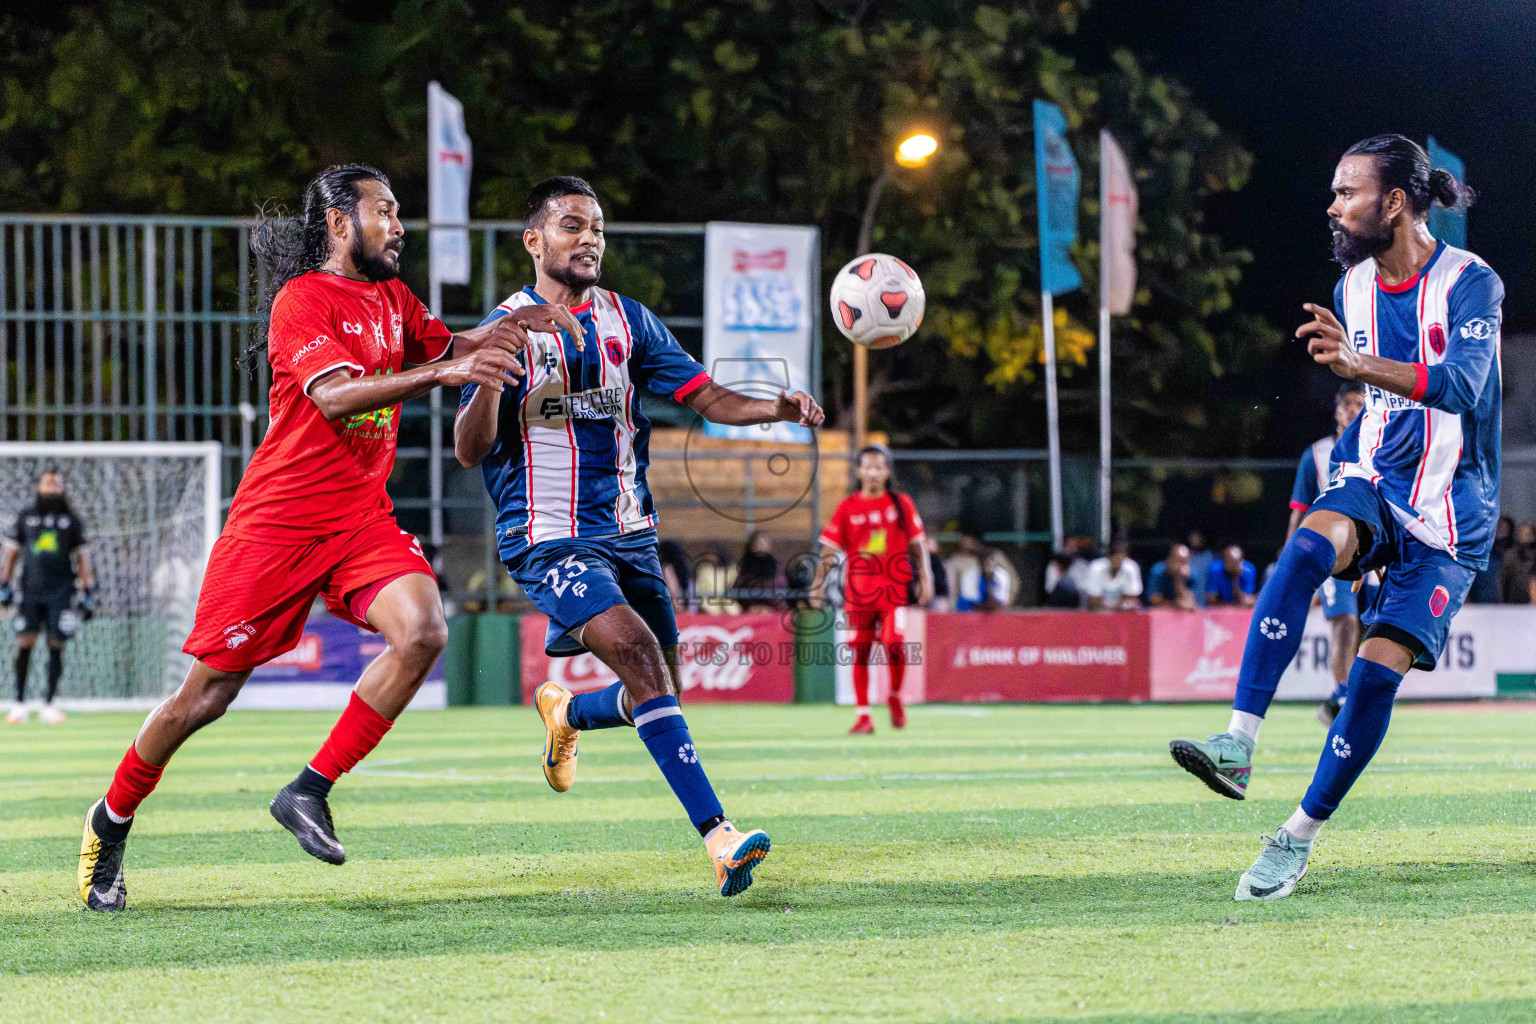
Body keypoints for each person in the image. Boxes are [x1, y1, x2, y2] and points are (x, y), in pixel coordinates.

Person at [76, 164, 582, 913]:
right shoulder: (302, 301)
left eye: (401, 211)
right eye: (386, 211)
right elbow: (336, 395)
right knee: (205, 698)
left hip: (358, 520)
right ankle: (109, 822)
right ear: (341, 223)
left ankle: (308, 790)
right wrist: (445, 374)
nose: (400, 225)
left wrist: (509, 327)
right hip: (276, 527)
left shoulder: (393, 297)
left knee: (422, 631)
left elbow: (448, 346)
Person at [455, 176, 824, 897]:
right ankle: (720, 839)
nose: (588, 238)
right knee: (639, 654)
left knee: (660, 689)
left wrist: (771, 407)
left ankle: (570, 713)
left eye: (595, 227)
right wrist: (491, 375)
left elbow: (705, 396)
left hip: (630, 533)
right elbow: (470, 451)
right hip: (546, 536)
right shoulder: (506, 327)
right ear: (534, 242)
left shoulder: (630, 322)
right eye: (570, 226)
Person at [1170, 135, 1497, 901]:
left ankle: (1296, 837)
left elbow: (1464, 387)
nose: (1333, 205)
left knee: (1374, 680)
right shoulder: (1352, 287)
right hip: (1377, 480)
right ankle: (1238, 745)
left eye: (1346, 191)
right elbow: (1380, 406)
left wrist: (1357, 367)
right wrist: (1348, 456)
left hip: (1451, 516)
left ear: (1393, 202)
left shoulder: (1470, 282)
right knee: (1305, 548)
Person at [807, 445, 931, 734]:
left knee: (894, 645)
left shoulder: (901, 503)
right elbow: (828, 550)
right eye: (868, 466)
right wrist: (817, 585)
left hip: (893, 592)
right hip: (859, 595)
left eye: (879, 467)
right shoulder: (848, 507)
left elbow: (918, 544)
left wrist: (926, 577)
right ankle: (864, 715)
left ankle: (894, 696)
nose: (874, 472)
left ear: (887, 472)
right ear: (859, 471)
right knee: (860, 652)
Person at [1289, 381, 1374, 725]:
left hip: (1374, 553)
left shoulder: (1378, 448)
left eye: (1361, 403)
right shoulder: (1319, 454)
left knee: (1369, 626)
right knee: (1344, 622)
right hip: (1333, 555)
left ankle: (1343, 697)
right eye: (1349, 403)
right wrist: (1291, 558)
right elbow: (1299, 509)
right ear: (1337, 410)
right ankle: (1343, 692)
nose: (1355, 409)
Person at [2, 470, 95, 724]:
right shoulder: (26, 516)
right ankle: (18, 703)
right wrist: (4, 584)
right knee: (25, 642)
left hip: (62, 591)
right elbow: (11, 554)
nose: (52, 488)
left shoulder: (71, 520)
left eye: (57, 484)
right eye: (47, 483)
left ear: (62, 488)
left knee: (57, 643)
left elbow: (83, 558)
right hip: (29, 590)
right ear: (39, 487)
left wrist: (87, 590)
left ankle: (49, 703)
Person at [955, 530, 1012, 611]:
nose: (989, 566)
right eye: (986, 563)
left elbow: (1000, 603)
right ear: (980, 564)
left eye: (992, 563)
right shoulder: (970, 575)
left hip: (992, 612)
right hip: (970, 612)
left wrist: (989, 582)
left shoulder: (1002, 576)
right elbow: (972, 604)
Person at [1084, 537, 1142, 611]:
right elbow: (1093, 601)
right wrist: (1117, 605)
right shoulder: (1096, 568)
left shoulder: (1131, 567)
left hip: (1122, 613)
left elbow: (1132, 599)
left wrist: (1113, 605)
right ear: (1109, 557)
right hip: (1099, 613)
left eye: (1121, 558)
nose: (1118, 561)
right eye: (1115, 558)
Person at [731, 531, 780, 611]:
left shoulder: (777, 566)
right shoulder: (745, 566)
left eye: (764, 542)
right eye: (758, 543)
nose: (761, 546)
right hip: (749, 610)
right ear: (752, 545)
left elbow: (782, 588)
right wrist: (751, 607)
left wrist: (770, 607)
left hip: (773, 611)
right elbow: (738, 589)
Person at [1466, 516, 1511, 604]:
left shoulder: (1510, 555)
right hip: (1480, 603)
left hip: (1506, 604)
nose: (1502, 532)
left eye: (1505, 530)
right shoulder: (1480, 553)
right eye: (1499, 528)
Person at [1145, 543, 1197, 610]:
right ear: (1170, 559)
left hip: (1179, 611)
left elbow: (1189, 601)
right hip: (1159, 612)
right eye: (1178, 561)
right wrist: (1176, 604)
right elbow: (1154, 599)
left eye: (1185, 562)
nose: (1181, 565)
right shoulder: (1158, 571)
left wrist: (1178, 580)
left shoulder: (1191, 575)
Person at [1497, 522, 1536, 604]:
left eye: (1529, 533)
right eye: (1524, 533)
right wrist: (1503, 600)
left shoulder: (1534, 555)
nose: (1526, 537)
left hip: (1531, 601)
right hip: (1513, 600)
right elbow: (1503, 579)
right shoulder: (1511, 555)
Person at [1185, 529, 1213, 607]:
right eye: (1194, 537)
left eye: (1199, 537)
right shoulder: (1184, 555)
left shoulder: (1211, 556)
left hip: (1207, 600)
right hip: (1190, 600)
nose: (1196, 540)